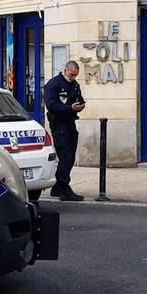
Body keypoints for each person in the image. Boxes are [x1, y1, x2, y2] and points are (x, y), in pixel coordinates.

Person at [44, 60, 86, 202]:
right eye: (72, 74)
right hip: (59, 124)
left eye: (75, 75)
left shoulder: (74, 85)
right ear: (66, 70)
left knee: (71, 156)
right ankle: (64, 187)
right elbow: (51, 105)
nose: (73, 77)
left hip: (70, 122)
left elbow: (79, 99)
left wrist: (80, 106)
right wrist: (70, 108)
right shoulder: (53, 84)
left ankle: (57, 187)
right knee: (65, 156)